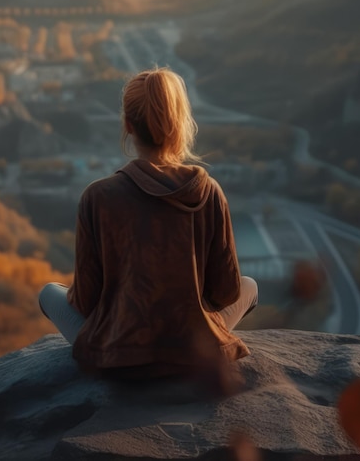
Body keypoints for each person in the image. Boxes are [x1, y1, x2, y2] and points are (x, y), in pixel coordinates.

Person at [39, 67, 258, 378]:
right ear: (179, 124)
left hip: (119, 360)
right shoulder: (209, 192)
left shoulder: (97, 196)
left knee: (49, 292)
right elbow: (227, 292)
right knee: (250, 286)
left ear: (128, 125)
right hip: (195, 356)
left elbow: (86, 301)